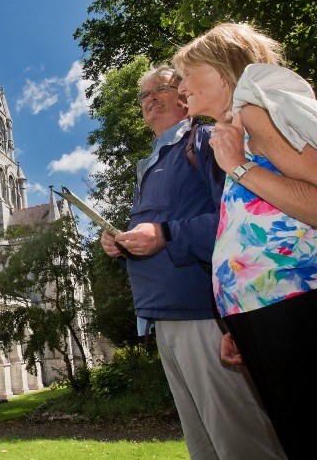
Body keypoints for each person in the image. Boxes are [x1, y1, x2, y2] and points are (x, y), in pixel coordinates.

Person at [100, 64, 284, 460]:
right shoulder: (151, 162)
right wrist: (123, 243)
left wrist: (164, 234)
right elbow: (157, 230)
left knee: (239, 440)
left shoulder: (206, 143)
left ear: (185, 95)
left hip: (201, 311)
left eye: (159, 90)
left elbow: (236, 218)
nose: (149, 99)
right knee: (202, 445)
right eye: (144, 95)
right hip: (161, 316)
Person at [174, 22, 317, 460]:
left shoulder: (255, 115)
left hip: (294, 305)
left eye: (186, 73)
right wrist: (234, 317)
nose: (180, 86)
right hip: (262, 311)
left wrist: (236, 165)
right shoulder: (235, 128)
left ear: (221, 72)